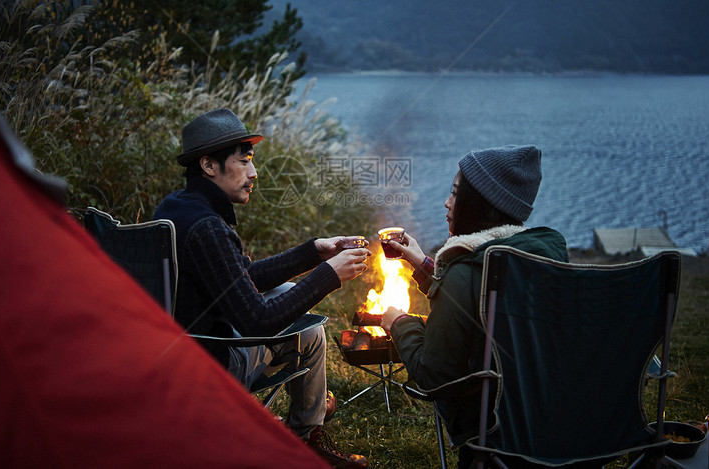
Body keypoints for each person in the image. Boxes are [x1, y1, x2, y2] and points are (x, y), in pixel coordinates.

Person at [154, 108, 369, 468]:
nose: (254, 173)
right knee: (310, 332)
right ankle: (304, 439)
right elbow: (256, 320)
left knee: (285, 291)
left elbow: (241, 278)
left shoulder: (177, 208)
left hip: (174, 355)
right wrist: (328, 276)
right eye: (245, 161)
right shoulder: (208, 228)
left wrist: (314, 252)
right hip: (211, 365)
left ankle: (309, 419)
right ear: (209, 165)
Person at [380, 145, 568, 469]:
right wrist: (424, 264)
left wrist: (399, 322)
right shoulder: (539, 259)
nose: (446, 203)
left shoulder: (467, 270)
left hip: (490, 429)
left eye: (455, 194)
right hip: (554, 422)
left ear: (479, 203)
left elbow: (433, 374)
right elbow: (475, 301)